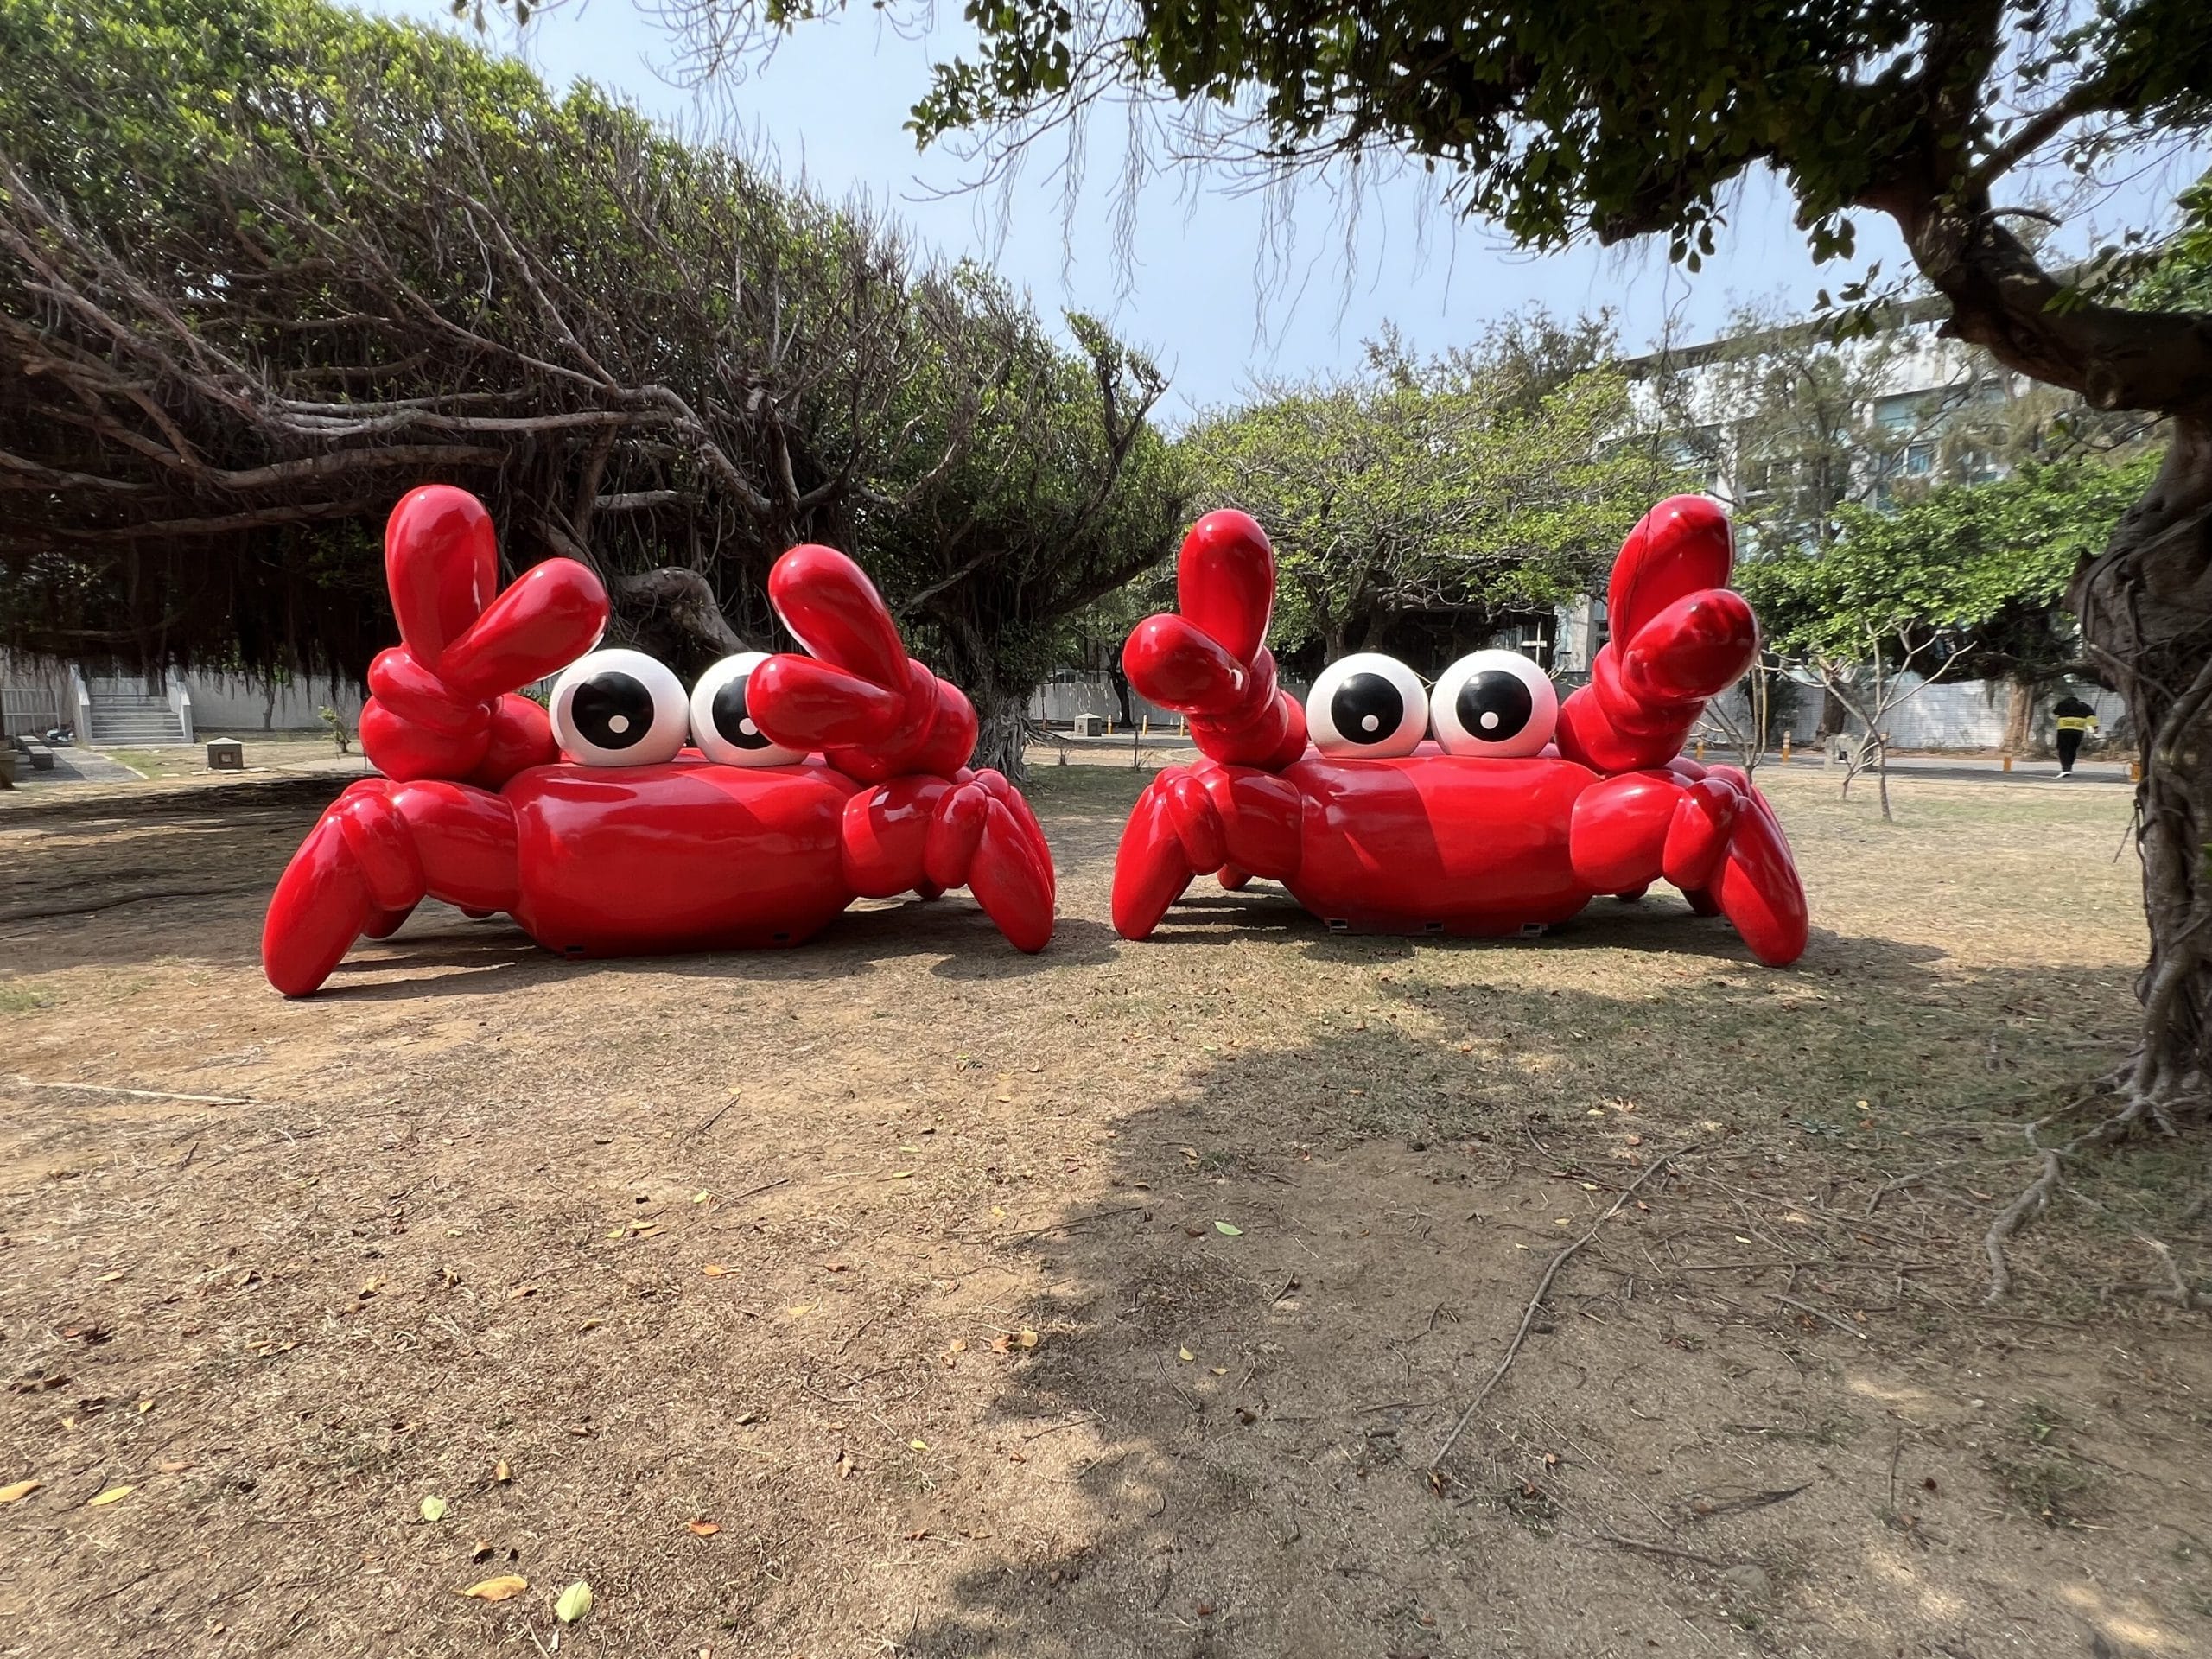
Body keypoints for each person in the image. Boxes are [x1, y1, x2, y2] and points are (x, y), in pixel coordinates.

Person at [2051, 690, 2099, 778]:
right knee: (2072, 749)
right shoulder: (2084, 706)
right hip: (2077, 730)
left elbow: (2055, 714)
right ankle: (2069, 766)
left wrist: (2057, 722)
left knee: (2063, 749)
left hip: (2064, 729)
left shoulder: (2062, 705)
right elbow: (2091, 717)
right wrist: (2095, 727)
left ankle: (2065, 768)